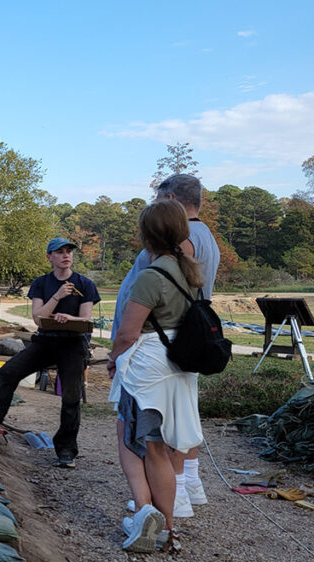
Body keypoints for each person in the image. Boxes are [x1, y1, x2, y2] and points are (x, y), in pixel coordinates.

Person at [110, 174, 219, 519]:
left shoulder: (167, 260)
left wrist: (115, 357)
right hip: (180, 347)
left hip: (151, 350)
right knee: (178, 424)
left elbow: (136, 321)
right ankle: (186, 491)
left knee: (149, 434)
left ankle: (159, 505)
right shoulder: (206, 241)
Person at [0, 238, 100, 468]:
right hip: (45, 342)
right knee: (7, 373)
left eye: (68, 251)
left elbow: (86, 319)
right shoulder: (41, 284)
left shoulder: (85, 284)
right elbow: (38, 317)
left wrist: (70, 319)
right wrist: (58, 297)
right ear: (49, 257)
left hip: (73, 344)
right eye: (59, 252)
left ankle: (66, 451)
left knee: (71, 398)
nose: (65, 255)